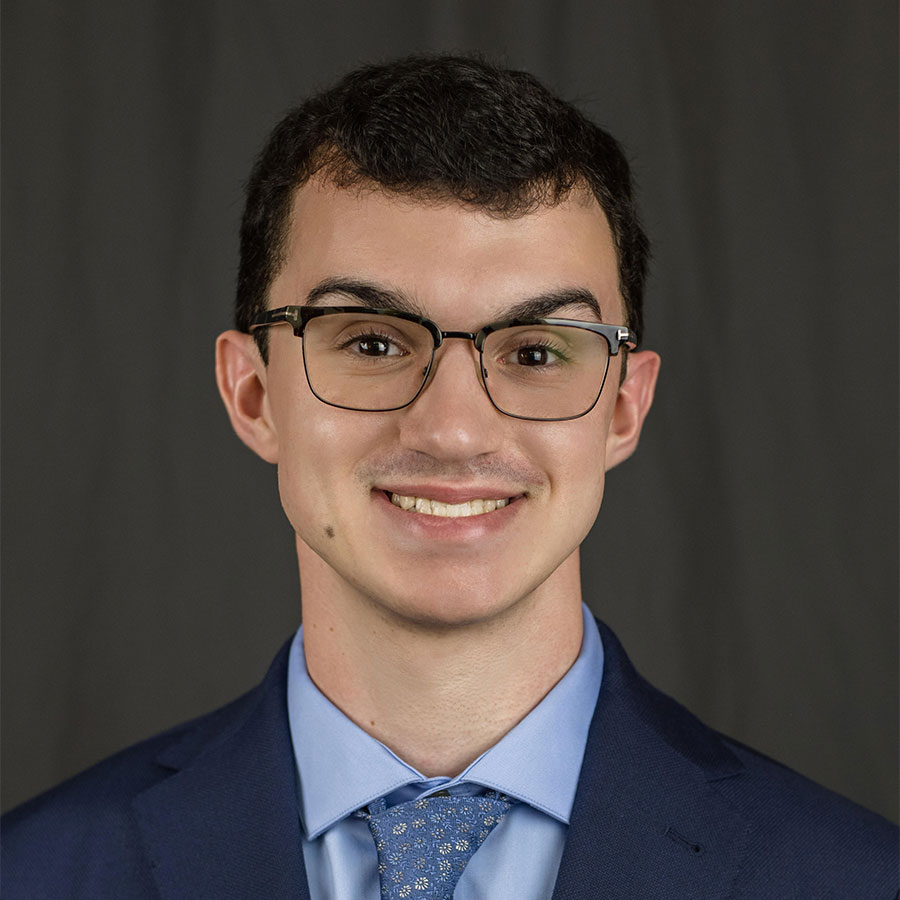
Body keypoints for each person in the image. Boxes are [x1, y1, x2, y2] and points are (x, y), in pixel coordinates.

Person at [2, 54, 896, 900]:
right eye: (372, 342)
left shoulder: (854, 879)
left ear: (623, 407)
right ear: (253, 394)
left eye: (538, 351)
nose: (455, 429)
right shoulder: (34, 874)